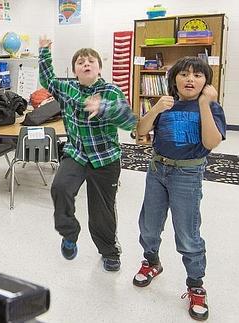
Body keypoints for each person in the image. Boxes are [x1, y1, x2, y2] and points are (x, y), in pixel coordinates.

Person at [132, 56, 226, 321]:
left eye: (198, 75)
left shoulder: (211, 107)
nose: (190, 79)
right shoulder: (165, 105)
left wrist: (206, 104)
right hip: (157, 170)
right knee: (149, 225)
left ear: (206, 82)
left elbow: (211, 142)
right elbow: (140, 133)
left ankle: (196, 284)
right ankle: (151, 262)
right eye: (184, 74)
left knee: (187, 233)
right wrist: (155, 109)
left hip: (188, 173)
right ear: (173, 79)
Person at [38, 37, 137, 271]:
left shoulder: (111, 91)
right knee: (60, 188)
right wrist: (44, 51)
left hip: (106, 158)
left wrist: (103, 107)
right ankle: (69, 234)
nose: (86, 64)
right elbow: (47, 79)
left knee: (101, 210)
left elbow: (129, 120)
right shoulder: (67, 88)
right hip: (77, 154)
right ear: (74, 70)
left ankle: (109, 252)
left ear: (99, 67)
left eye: (91, 61)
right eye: (80, 62)